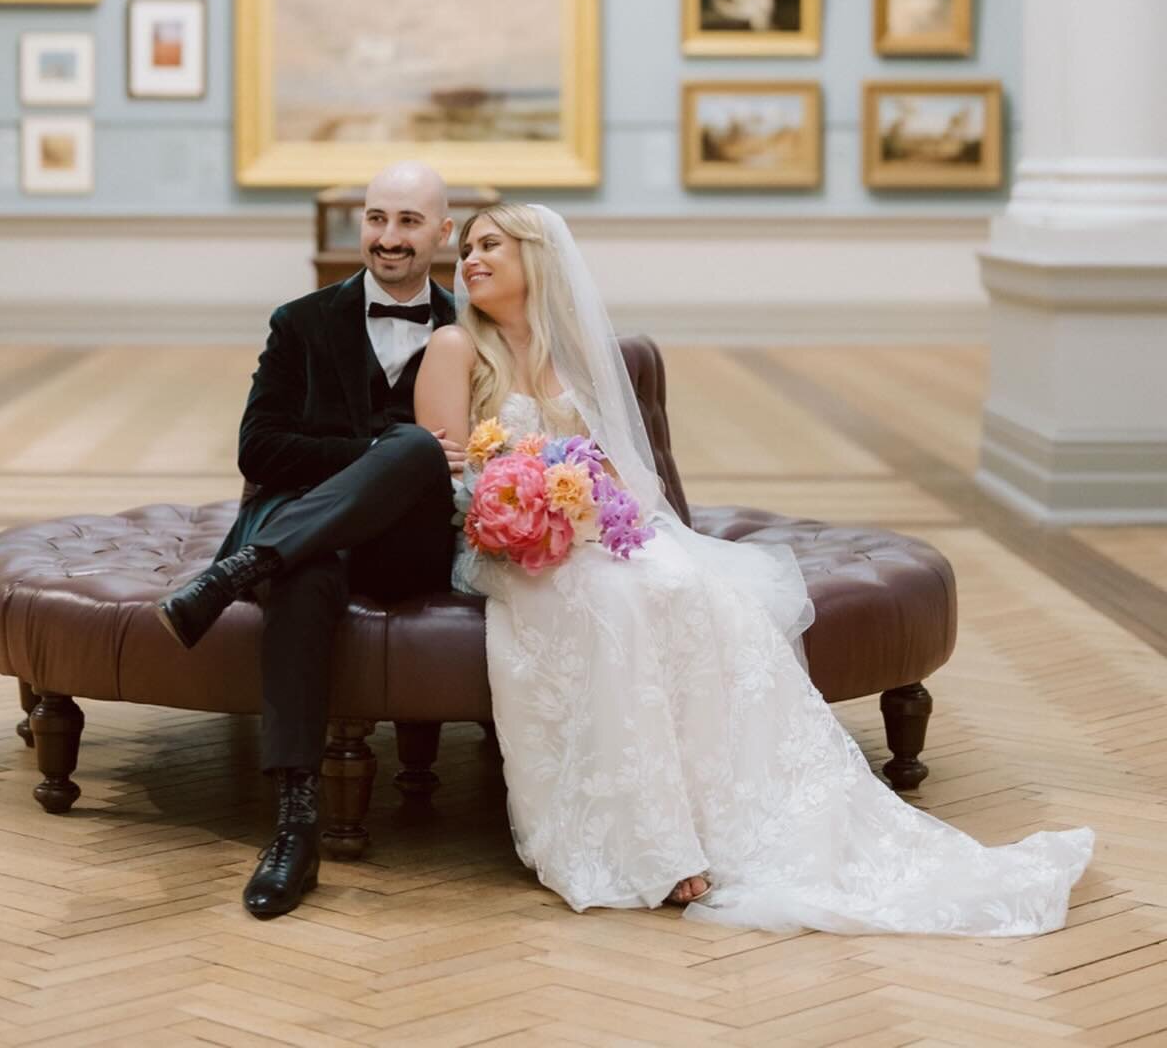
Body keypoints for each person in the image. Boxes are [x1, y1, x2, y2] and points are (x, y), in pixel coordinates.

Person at [413, 202, 1096, 934]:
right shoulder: (455, 345)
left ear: (536, 259)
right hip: (503, 547)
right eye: (471, 246)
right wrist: (527, 510)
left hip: (583, 533)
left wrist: (585, 506)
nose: (471, 258)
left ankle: (731, 813)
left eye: (491, 245)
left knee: (687, 586)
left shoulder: (572, 351)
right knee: (609, 603)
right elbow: (439, 474)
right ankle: (653, 844)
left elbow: (618, 471)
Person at [155, 161, 459, 919]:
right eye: (377, 218)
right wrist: (378, 454)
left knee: (419, 451)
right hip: (310, 541)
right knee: (314, 563)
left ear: (443, 233)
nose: (389, 238)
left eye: (409, 222)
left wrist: (400, 456)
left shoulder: (470, 330)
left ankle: (240, 568)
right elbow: (259, 449)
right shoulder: (300, 321)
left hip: (407, 549)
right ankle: (296, 823)